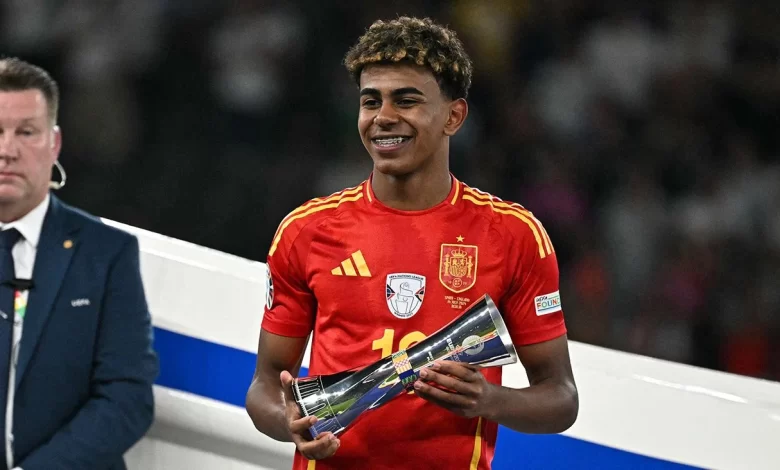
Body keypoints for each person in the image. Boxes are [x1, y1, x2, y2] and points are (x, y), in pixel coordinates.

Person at [246, 17, 578, 470]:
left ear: (454, 116)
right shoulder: (306, 230)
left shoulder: (513, 235)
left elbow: (561, 397)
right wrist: (289, 423)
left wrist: (490, 399)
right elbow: (265, 383)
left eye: (406, 100)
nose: (383, 117)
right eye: (371, 101)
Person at [0, 57, 158, 469]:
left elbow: (127, 399)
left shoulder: (106, 254)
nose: (7, 150)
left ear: (54, 144)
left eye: (26, 132)